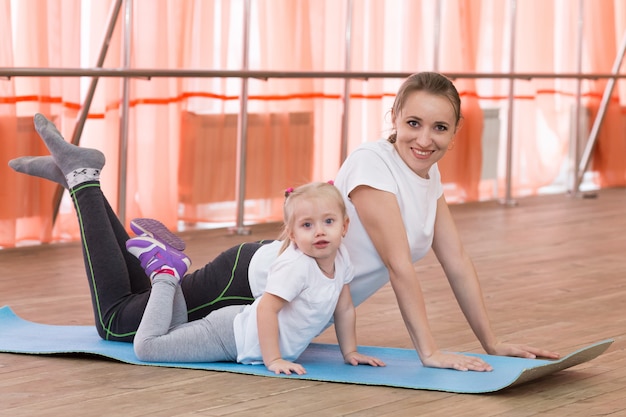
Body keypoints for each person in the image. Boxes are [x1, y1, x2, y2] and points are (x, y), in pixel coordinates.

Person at [9, 72, 559, 372]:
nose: (424, 138)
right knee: (117, 326)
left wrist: (495, 341)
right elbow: (399, 266)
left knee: (135, 297)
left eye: (439, 128)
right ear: (393, 118)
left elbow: (457, 263)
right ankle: (82, 180)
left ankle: (82, 180)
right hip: (250, 281)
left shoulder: (428, 179)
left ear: (455, 133)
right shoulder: (374, 164)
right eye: (413, 122)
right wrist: (430, 353)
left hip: (270, 286)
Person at [126, 182, 384, 374]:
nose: (319, 231)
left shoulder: (341, 257)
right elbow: (267, 311)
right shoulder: (297, 266)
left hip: (235, 327)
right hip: (229, 337)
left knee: (172, 329)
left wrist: (350, 351)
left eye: (328, 221)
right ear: (292, 234)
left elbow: (345, 308)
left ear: (344, 226)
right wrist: (273, 359)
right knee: (148, 347)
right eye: (307, 225)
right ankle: (166, 274)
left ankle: (171, 266)